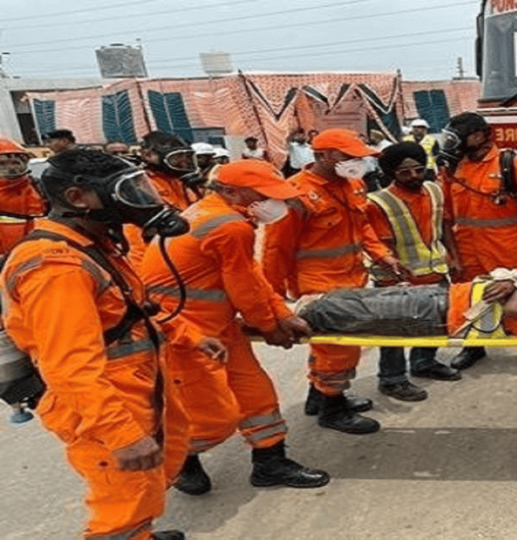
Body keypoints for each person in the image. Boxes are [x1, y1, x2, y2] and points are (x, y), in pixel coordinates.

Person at [1, 149, 226, 539]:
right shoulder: (56, 266)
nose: (139, 200)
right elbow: (69, 366)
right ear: (77, 198)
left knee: (145, 489)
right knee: (122, 509)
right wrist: (122, 434)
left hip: (131, 391)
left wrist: (190, 336)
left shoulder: (90, 243)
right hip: (104, 408)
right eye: (126, 191)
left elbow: (133, 311)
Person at [140, 160, 330, 496]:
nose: (274, 202)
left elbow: (250, 275)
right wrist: (270, 327)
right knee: (203, 410)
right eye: (264, 195)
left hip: (217, 325)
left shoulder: (217, 214)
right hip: (185, 333)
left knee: (255, 392)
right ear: (231, 191)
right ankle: (183, 461)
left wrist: (279, 314)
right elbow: (243, 288)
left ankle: (270, 462)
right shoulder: (228, 226)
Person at [262, 128, 408, 434]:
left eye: (359, 156)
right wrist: (272, 303)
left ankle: (318, 397)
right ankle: (333, 407)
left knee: (327, 344)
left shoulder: (354, 185)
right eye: (349, 156)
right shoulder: (295, 193)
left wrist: (383, 256)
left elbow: (362, 225)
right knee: (340, 349)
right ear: (323, 155)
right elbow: (276, 250)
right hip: (318, 283)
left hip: (352, 278)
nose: (357, 162)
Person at [439, 112, 517, 374]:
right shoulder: (453, 168)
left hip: (506, 247)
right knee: (472, 296)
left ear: (479, 135)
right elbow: (445, 215)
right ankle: (474, 346)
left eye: (458, 137)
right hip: (467, 248)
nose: (453, 143)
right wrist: (452, 254)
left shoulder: (513, 164)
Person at [365, 142, 462, 401]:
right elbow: (380, 244)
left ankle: (423, 362)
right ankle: (391, 379)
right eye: (405, 172)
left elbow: (444, 226)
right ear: (391, 173)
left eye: (418, 170)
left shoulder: (434, 190)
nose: (414, 176)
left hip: (435, 273)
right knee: (393, 330)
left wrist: (454, 258)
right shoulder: (379, 202)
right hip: (396, 281)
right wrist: (395, 274)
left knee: (435, 321)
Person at [299, 264, 517, 340]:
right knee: (354, 304)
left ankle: (290, 317)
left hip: (441, 313)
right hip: (443, 301)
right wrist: (515, 281)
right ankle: (293, 314)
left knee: (352, 310)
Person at [125, 132, 203, 268]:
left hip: (186, 252)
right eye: (176, 158)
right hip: (158, 258)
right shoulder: (139, 185)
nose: (183, 163)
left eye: (186, 157)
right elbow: (135, 238)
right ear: (148, 155)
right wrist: (142, 271)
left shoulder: (180, 183)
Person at [0, 138, 47, 255]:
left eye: (15, 162)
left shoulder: (40, 188)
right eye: (1, 163)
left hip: (40, 254)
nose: (11, 168)